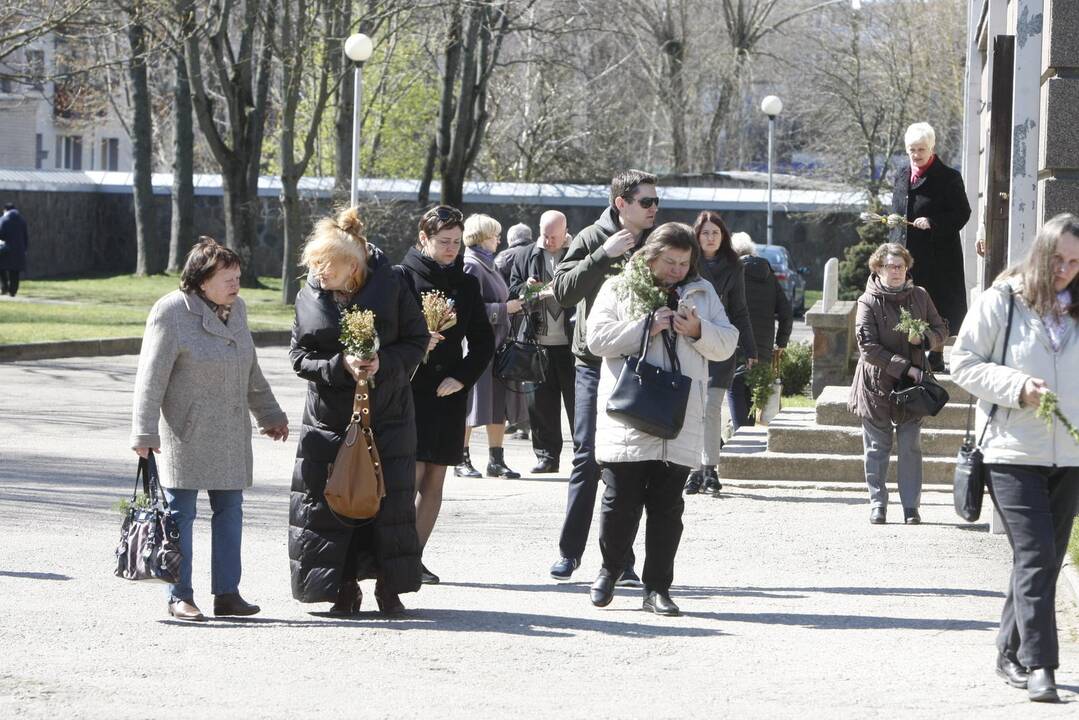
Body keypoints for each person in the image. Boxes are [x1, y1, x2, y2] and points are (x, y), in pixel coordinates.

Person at [950, 213, 1079, 704]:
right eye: (1058, 259)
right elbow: (961, 361)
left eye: (1075, 262)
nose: (1065, 270)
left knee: (1039, 561)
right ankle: (1041, 664)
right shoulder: (1002, 301)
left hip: (1069, 456)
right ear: (1040, 253)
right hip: (1011, 451)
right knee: (1038, 555)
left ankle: (1008, 649)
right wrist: (1016, 386)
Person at [130, 237, 289, 622]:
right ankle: (179, 594)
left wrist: (270, 414)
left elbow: (250, 370)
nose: (236, 284)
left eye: (237, 277)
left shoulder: (238, 310)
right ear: (201, 280)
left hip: (231, 431)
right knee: (180, 515)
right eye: (227, 278)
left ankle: (227, 594)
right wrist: (143, 433)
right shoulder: (171, 311)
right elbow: (150, 378)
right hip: (185, 432)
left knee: (230, 510)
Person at [586, 223, 738, 615]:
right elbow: (596, 339)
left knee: (668, 509)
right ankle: (610, 568)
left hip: (678, 416)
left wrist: (698, 329)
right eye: (669, 262)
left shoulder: (702, 294)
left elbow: (728, 343)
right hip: (630, 415)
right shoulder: (620, 288)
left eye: (683, 263)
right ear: (650, 256)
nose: (676, 270)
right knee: (620, 502)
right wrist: (645, 327)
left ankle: (657, 588)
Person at [288, 207, 428, 616]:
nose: (318, 272)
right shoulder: (309, 294)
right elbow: (299, 357)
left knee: (389, 502)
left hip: (387, 415)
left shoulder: (393, 283)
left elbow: (416, 339)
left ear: (354, 266)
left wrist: (383, 363)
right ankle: (341, 588)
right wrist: (338, 366)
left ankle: (390, 587)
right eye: (314, 264)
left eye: (326, 265)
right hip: (329, 420)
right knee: (332, 502)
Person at [548, 169, 658, 584]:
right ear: (621, 204)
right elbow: (561, 292)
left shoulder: (655, 243)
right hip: (592, 365)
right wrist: (603, 254)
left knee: (627, 463)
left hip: (637, 364)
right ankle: (568, 552)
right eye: (645, 202)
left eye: (655, 202)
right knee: (586, 456)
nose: (653, 209)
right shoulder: (593, 238)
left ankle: (620, 561)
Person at [398, 205, 495, 585]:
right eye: (444, 242)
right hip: (411, 389)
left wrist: (463, 377)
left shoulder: (468, 282)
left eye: (456, 242)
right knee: (411, 476)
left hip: (448, 392)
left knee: (435, 478)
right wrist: (417, 345)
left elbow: (484, 342)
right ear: (424, 239)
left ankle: (415, 557)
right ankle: (394, 552)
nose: (452, 249)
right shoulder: (403, 276)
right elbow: (386, 333)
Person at [847, 243, 947, 526]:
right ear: (877, 269)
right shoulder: (867, 301)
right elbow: (868, 347)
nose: (897, 272)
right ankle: (877, 504)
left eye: (901, 266)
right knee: (877, 447)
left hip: (912, 388)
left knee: (910, 446)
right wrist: (906, 367)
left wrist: (925, 339)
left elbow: (941, 329)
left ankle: (911, 508)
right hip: (876, 383)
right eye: (891, 266)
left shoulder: (920, 295)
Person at [891, 122, 971, 372]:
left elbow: (962, 213)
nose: (916, 155)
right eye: (912, 150)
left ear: (932, 148)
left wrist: (933, 222)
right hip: (906, 254)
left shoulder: (948, 177)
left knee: (936, 305)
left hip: (938, 256)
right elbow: (898, 208)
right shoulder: (902, 174)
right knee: (906, 304)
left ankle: (936, 353)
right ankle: (909, 352)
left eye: (921, 149)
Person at [685, 212, 755, 496]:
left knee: (712, 408)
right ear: (697, 236)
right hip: (689, 341)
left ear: (723, 236)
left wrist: (750, 347)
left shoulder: (733, 266)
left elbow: (740, 308)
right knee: (693, 408)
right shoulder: (687, 262)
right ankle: (693, 469)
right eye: (705, 233)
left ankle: (710, 469)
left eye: (715, 232)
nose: (710, 237)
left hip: (720, 344)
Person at [456, 214, 524, 479]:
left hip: (498, 345)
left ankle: (496, 459)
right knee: (473, 403)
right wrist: (504, 309)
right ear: (481, 237)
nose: (499, 238)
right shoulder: (472, 265)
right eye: (494, 234)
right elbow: (467, 309)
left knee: (497, 403)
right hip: (478, 345)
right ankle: (461, 459)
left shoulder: (490, 265)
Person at [508, 210, 575, 474]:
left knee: (578, 403)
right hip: (537, 342)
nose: (549, 241)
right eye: (545, 235)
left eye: (554, 237)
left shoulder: (577, 252)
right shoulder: (525, 254)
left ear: (566, 231)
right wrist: (527, 287)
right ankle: (547, 456)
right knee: (540, 404)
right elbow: (512, 290)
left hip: (572, 344)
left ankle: (586, 456)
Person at [728, 232, 793, 432]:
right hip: (763, 347)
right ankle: (747, 435)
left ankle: (741, 436)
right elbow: (786, 312)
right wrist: (781, 343)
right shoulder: (769, 276)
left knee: (736, 387)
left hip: (737, 344)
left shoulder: (732, 274)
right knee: (751, 391)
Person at [497, 222, 535, 440]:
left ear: (510, 239)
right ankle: (528, 421)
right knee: (531, 370)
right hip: (534, 319)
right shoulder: (535, 253)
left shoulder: (503, 258)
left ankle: (515, 420)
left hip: (511, 320)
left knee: (511, 372)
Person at [0, 203, 29, 297]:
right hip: (18, 250)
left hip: (5, 249)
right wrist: (25, 249)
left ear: (5, 210)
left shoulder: (3, 220)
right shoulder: (22, 220)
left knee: (1, 268)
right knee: (15, 272)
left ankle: (4, 287)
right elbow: (25, 236)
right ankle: (13, 291)